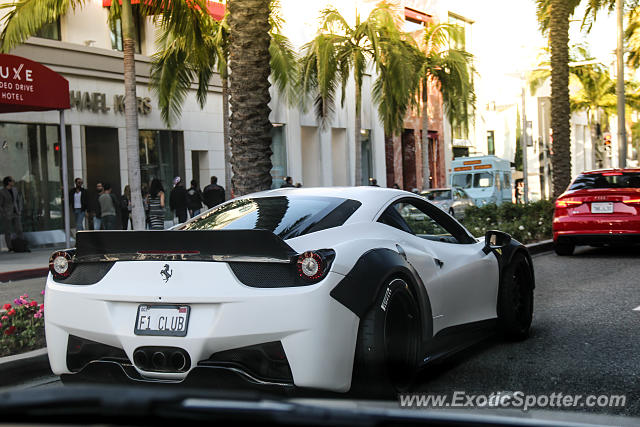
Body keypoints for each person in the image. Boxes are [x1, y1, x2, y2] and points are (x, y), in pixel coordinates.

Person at [0, 176, 25, 251]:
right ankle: (10, 247)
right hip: (7, 214)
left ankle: (21, 245)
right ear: (8, 182)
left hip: (16, 212)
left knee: (19, 229)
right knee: (8, 231)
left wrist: (19, 210)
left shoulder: (15, 190)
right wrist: (3, 213)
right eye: (12, 181)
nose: (13, 182)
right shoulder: (2, 192)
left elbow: (18, 200)